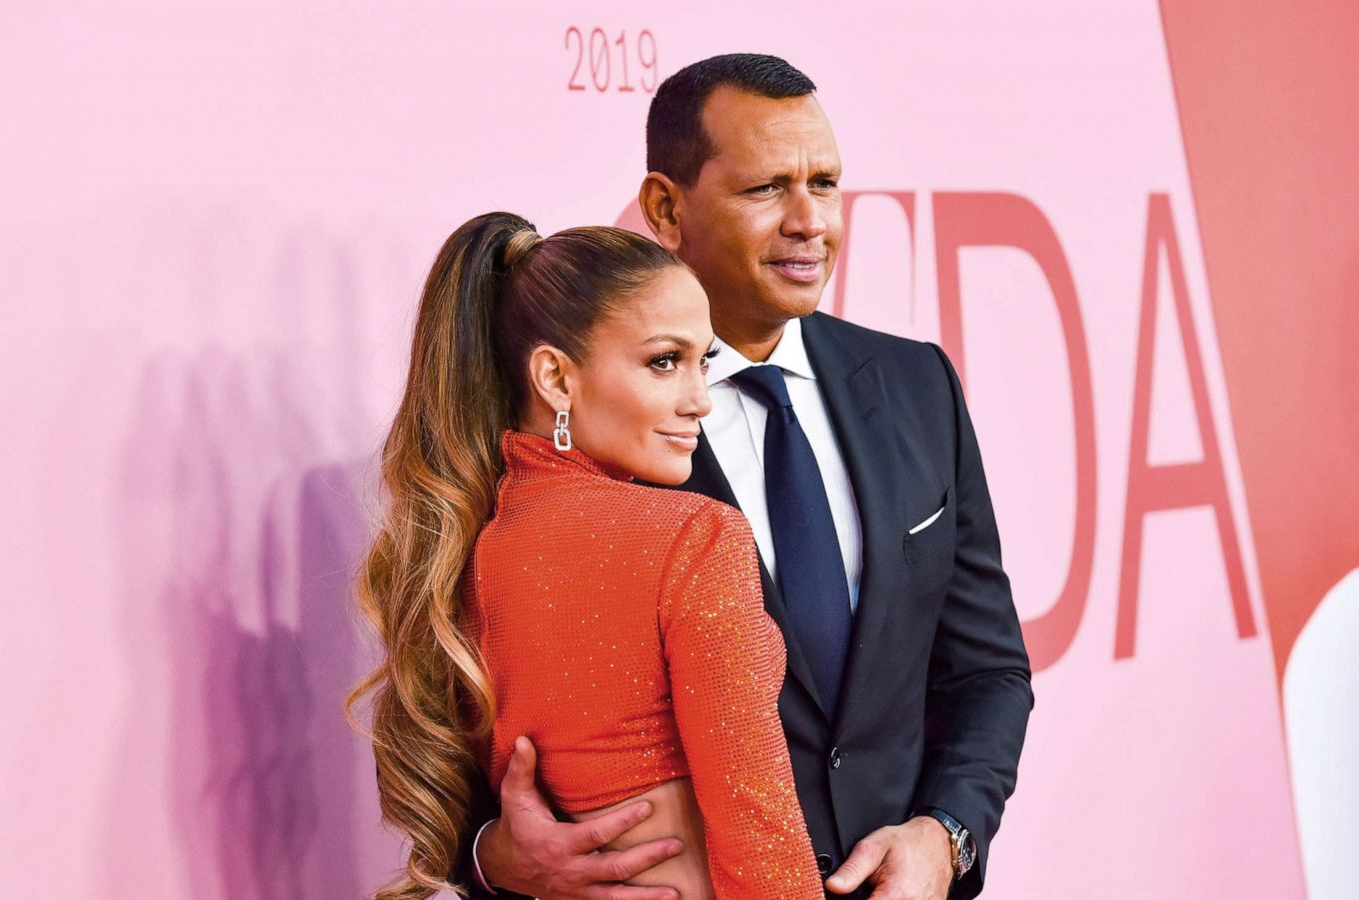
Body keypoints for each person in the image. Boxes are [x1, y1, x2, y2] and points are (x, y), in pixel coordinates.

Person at [462, 54, 1034, 900]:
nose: (810, 222)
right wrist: (495, 858)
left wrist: (944, 836)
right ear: (665, 205)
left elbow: (988, 671)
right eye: (766, 188)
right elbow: (479, 710)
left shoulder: (919, 387)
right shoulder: (581, 432)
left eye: (827, 184)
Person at [349, 212, 828, 899]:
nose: (701, 401)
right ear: (555, 378)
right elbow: (757, 820)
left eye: (704, 362)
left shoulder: (470, 551)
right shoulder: (697, 536)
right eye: (664, 362)